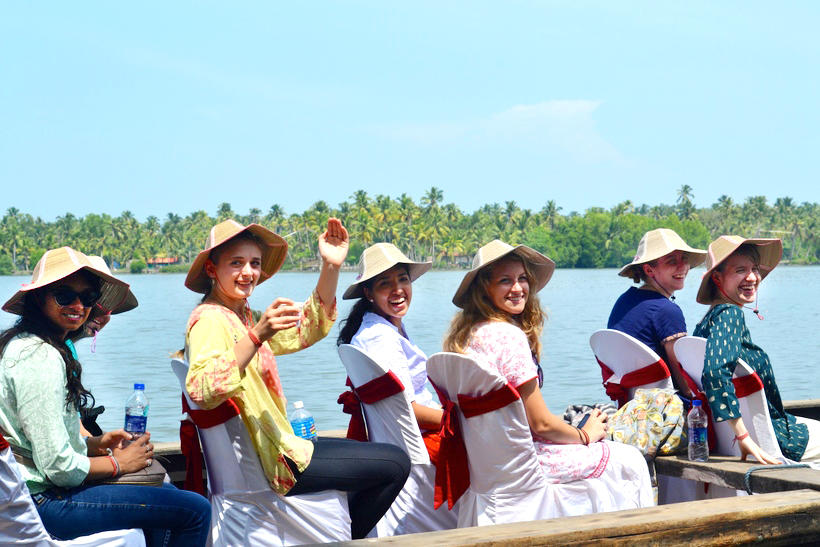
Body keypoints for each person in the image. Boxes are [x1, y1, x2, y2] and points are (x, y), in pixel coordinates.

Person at [184, 218, 410, 540]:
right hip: (279, 461)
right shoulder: (209, 320)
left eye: (255, 263)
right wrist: (259, 334)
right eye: (236, 263)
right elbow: (202, 387)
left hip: (284, 447)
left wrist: (330, 266)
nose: (248, 272)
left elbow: (309, 327)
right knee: (396, 464)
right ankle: (346, 539)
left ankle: (340, 533)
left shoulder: (240, 316)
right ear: (211, 269)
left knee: (375, 453)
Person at [0, 246, 210, 546]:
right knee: (196, 511)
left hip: (42, 491)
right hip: (46, 502)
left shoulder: (32, 344)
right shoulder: (39, 356)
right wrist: (119, 464)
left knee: (170, 497)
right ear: (39, 297)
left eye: (87, 298)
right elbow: (58, 468)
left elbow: (40, 440)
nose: (78, 305)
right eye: (64, 295)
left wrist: (95, 443)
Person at [443, 240, 653, 508]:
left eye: (522, 279)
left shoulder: (470, 336)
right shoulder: (508, 337)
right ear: (485, 289)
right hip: (523, 464)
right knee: (630, 458)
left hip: (490, 464)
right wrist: (584, 435)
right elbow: (539, 424)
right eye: (505, 281)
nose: (518, 288)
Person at [694, 235, 820, 464]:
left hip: (759, 432)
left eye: (754, 269)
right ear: (717, 277)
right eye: (740, 270)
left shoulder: (705, 322)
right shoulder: (729, 315)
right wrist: (742, 436)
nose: (752, 277)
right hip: (774, 439)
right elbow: (714, 373)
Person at [337, 243, 442, 435]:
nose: (398, 289)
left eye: (403, 279)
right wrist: (455, 420)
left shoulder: (385, 327)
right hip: (421, 438)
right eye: (385, 283)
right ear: (369, 293)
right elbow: (408, 412)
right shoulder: (380, 338)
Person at [608, 228, 707, 398]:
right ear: (648, 270)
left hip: (631, 403)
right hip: (664, 409)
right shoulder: (665, 310)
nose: (682, 266)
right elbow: (684, 383)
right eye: (671, 261)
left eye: (684, 258)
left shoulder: (624, 300)